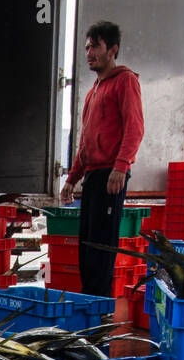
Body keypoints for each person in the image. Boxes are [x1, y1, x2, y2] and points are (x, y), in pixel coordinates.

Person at [60, 21, 144, 298]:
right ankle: (89, 302)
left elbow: (135, 128)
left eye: (95, 46)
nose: (89, 53)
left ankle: (101, 308)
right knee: (87, 246)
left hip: (111, 175)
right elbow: (85, 144)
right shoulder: (93, 91)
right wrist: (71, 179)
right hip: (93, 176)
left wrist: (121, 167)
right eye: (86, 47)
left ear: (112, 49)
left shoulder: (125, 81)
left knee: (102, 247)